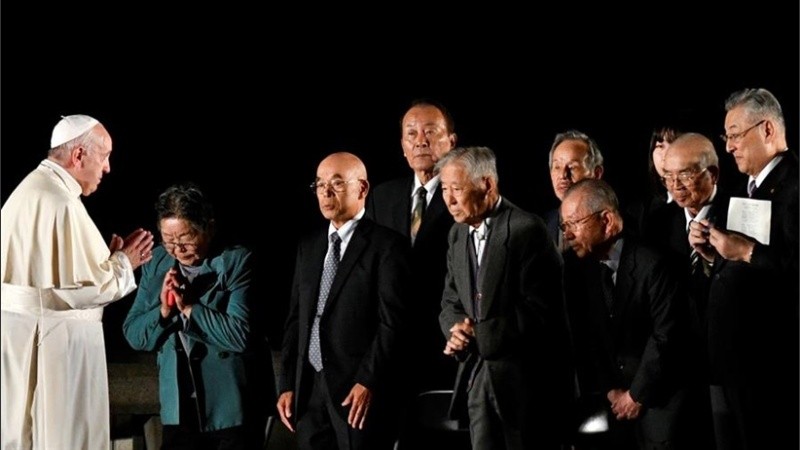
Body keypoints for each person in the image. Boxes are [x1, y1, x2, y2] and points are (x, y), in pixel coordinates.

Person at [1, 114, 154, 450]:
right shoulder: (58, 201)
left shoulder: (33, 190)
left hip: (25, 337)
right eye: (104, 156)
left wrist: (108, 262)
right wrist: (124, 262)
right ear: (79, 155)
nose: (108, 168)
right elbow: (85, 290)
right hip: (57, 346)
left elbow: (58, 278)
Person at [437, 146, 574, 449]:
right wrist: (455, 330)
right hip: (476, 380)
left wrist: (479, 334)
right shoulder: (456, 235)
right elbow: (451, 301)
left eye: (456, 188)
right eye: (444, 189)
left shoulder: (527, 229)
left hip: (528, 387)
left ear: (487, 184)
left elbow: (541, 312)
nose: (448, 199)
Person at [123, 183, 272, 450]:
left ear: (209, 228)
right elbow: (134, 334)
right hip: (178, 408)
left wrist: (191, 307)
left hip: (232, 409)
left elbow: (239, 336)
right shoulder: (157, 261)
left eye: (185, 238)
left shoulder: (237, 261)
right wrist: (164, 312)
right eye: (168, 240)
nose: (177, 249)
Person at [278, 152, 411, 450]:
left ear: (362, 189)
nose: (325, 192)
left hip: (356, 392)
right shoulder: (309, 246)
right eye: (320, 184)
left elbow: (393, 324)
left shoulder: (388, 247)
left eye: (336, 184)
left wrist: (369, 381)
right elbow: (296, 319)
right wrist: (287, 383)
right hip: (309, 390)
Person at [692, 88, 798, 450]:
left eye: (735, 135)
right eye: (727, 137)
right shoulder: (743, 189)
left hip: (771, 367)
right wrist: (710, 253)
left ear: (767, 130)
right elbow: (737, 266)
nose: (729, 146)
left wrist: (748, 251)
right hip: (730, 362)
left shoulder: (796, 187)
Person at [560, 179, 687, 449]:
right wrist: (610, 390)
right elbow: (584, 337)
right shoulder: (577, 269)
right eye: (564, 226)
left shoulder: (652, 265)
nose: (567, 235)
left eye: (574, 224)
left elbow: (666, 337)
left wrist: (636, 396)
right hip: (611, 407)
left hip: (659, 405)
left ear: (607, 221)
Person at [366, 98, 457, 392]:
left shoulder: (465, 197)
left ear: (451, 142)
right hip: (391, 349)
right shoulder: (382, 197)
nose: (421, 141)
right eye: (412, 134)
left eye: (430, 132)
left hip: (445, 347)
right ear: (402, 146)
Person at [647, 132, 726, 448]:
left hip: (728, 368)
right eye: (668, 177)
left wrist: (711, 263)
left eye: (686, 175)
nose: (675, 186)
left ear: (713, 174)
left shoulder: (741, 211)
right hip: (676, 377)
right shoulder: (657, 221)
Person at [543, 130, 604, 250]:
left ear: (596, 174)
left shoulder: (618, 224)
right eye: (557, 167)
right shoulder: (539, 227)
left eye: (572, 167)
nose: (563, 175)